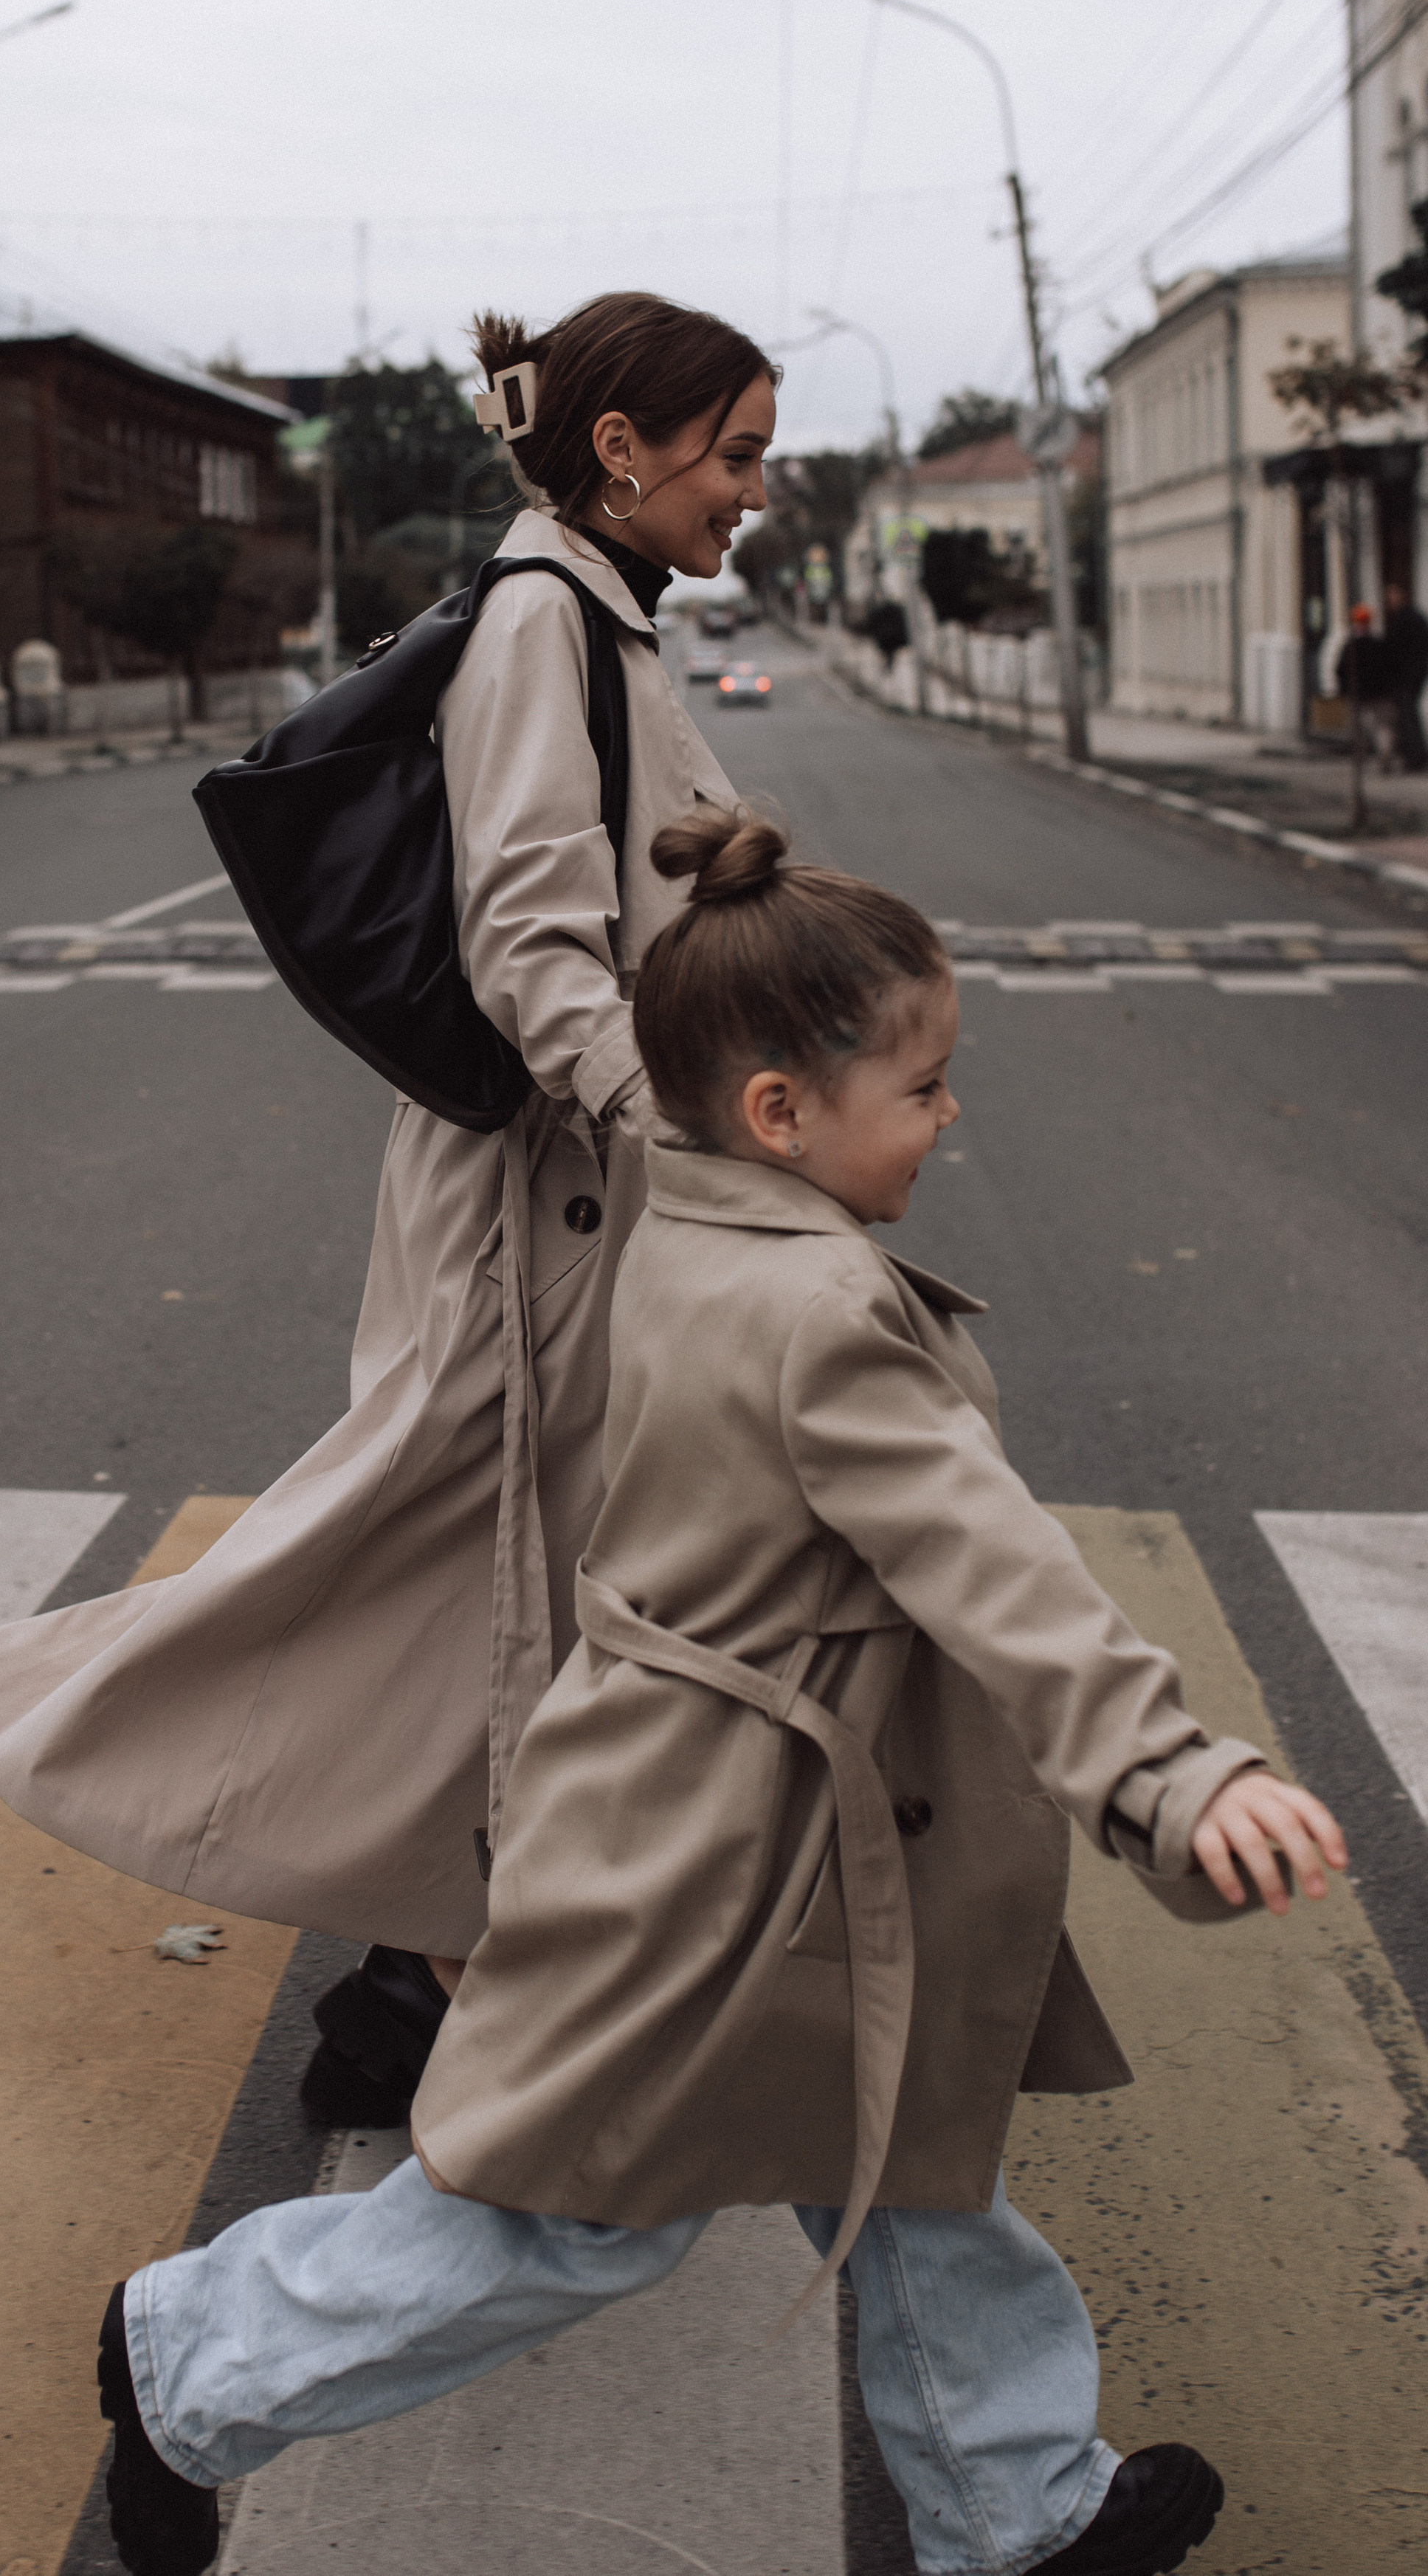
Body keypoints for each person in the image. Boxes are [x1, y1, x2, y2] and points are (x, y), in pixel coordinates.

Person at [94, 806, 1348, 2576]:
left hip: (770, 1820)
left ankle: (1016, 2509)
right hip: (719, 1856)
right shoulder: (821, 1308)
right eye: (918, 1086)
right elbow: (995, 1569)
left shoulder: (688, 1221)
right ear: (781, 1113)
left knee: (917, 2158)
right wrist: (1167, 1768)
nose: (947, 1112)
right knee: (570, 2213)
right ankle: (186, 2362)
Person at [0, 294, 775, 2120]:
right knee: (482, 1583)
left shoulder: (593, 615)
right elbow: (534, 950)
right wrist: (707, 1158)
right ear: (622, 449)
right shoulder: (542, 628)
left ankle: (420, 1985)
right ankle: (414, 1983)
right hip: (544, 1209)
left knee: (498, 1588)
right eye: (732, 456)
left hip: (566, 1195)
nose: (750, 496)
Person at [1382, 579, 1428, 771]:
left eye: (1393, 595)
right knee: (1405, 716)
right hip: (1406, 676)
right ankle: (1412, 755)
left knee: (1408, 716)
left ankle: (1416, 757)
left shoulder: (1409, 620)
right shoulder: (1405, 618)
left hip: (1408, 677)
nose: (1390, 599)